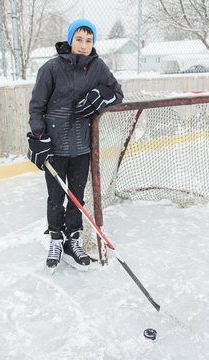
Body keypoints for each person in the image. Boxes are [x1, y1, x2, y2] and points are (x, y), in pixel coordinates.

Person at [28, 18, 124, 271]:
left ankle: (74, 239)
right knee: (55, 197)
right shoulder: (51, 68)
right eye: (79, 39)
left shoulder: (98, 67)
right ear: (70, 40)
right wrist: (39, 136)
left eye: (89, 40)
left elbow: (117, 92)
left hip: (82, 146)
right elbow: (37, 105)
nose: (83, 45)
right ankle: (56, 240)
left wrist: (100, 94)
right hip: (55, 147)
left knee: (77, 197)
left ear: (93, 43)